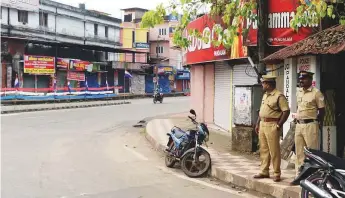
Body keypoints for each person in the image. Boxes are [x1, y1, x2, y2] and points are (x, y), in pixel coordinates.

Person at [254, 75, 290, 182]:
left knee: (274, 150)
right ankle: (264, 171)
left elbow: (286, 111)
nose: (262, 85)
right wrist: (257, 124)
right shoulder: (265, 95)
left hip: (272, 125)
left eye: (264, 83)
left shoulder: (279, 96)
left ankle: (276, 173)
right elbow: (261, 111)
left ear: (269, 84)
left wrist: (279, 124)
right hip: (263, 124)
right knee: (264, 149)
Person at [292, 71, 325, 184]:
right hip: (299, 125)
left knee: (312, 153)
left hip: (311, 124)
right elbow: (299, 107)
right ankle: (299, 175)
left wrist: (318, 123)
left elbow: (322, 111)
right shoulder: (299, 92)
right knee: (299, 152)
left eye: (304, 79)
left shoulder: (316, 93)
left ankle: (313, 178)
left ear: (311, 80)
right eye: (300, 79)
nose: (301, 80)